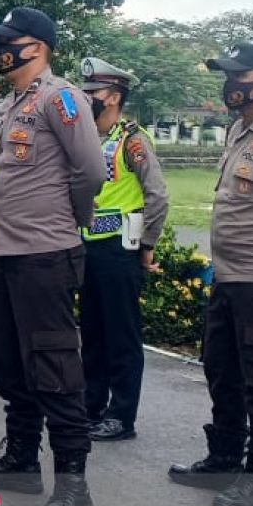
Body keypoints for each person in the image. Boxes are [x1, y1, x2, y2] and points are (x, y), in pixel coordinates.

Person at [0, 7, 104, 506]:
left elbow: (91, 170)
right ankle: (21, 460)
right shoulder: (10, 105)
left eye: (8, 41)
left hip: (46, 252)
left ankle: (73, 485)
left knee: (55, 365)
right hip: (6, 250)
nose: (0, 49)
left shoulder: (60, 98)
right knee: (9, 361)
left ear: (36, 47)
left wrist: (69, 218)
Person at [169, 34, 253, 506]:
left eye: (240, 76)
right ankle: (224, 458)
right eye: (227, 75)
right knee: (222, 369)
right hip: (230, 276)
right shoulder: (240, 130)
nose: (230, 84)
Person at [78, 57, 169, 442]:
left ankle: (121, 416)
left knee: (121, 336)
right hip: (88, 248)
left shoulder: (132, 140)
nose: (87, 99)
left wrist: (146, 244)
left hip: (119, 249)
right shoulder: (85, 137)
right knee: (93, 333)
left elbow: (158, 196)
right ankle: (91, 405)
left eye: (93, 93)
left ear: (113, 97)